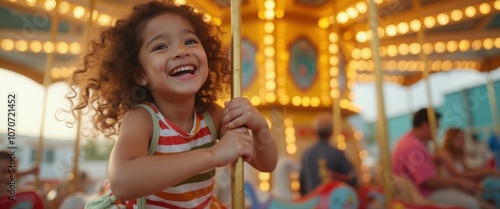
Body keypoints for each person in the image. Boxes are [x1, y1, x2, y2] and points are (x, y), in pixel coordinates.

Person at [66, 1, 278, 208]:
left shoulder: (212, 115)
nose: (180, 51)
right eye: (161, 46)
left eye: (190, 41)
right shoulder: (144, 119)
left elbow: (265, 164)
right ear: (140, 75)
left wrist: (260, 129)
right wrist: (212, 155)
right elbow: (122, 181)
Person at [392, 108, 480, 209]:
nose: (437, 132)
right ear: (425, 125)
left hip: (423, 190)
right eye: (436, 129)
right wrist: (460, 181)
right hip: (423, 194)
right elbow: (429, 181)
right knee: (472, 203)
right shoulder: (412, 146)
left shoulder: (411, 141)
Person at [437, 128, 498, 209]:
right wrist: (487, 171)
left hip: (461, 185)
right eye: (457, 139)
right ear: (450, 140)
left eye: (462, 139)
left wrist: (486, 170)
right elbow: (457, 174)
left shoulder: (456, 155)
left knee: (492, 186)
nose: (461, 142)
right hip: (453, 187)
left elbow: (466, 170)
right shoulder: (445, 154)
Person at [299, 112, 358, 196]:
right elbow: (352, 179)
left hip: (312, 202)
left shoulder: (306, 154)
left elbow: (302, 184)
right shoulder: (337, 153)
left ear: (314, 131)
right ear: (332, 131)